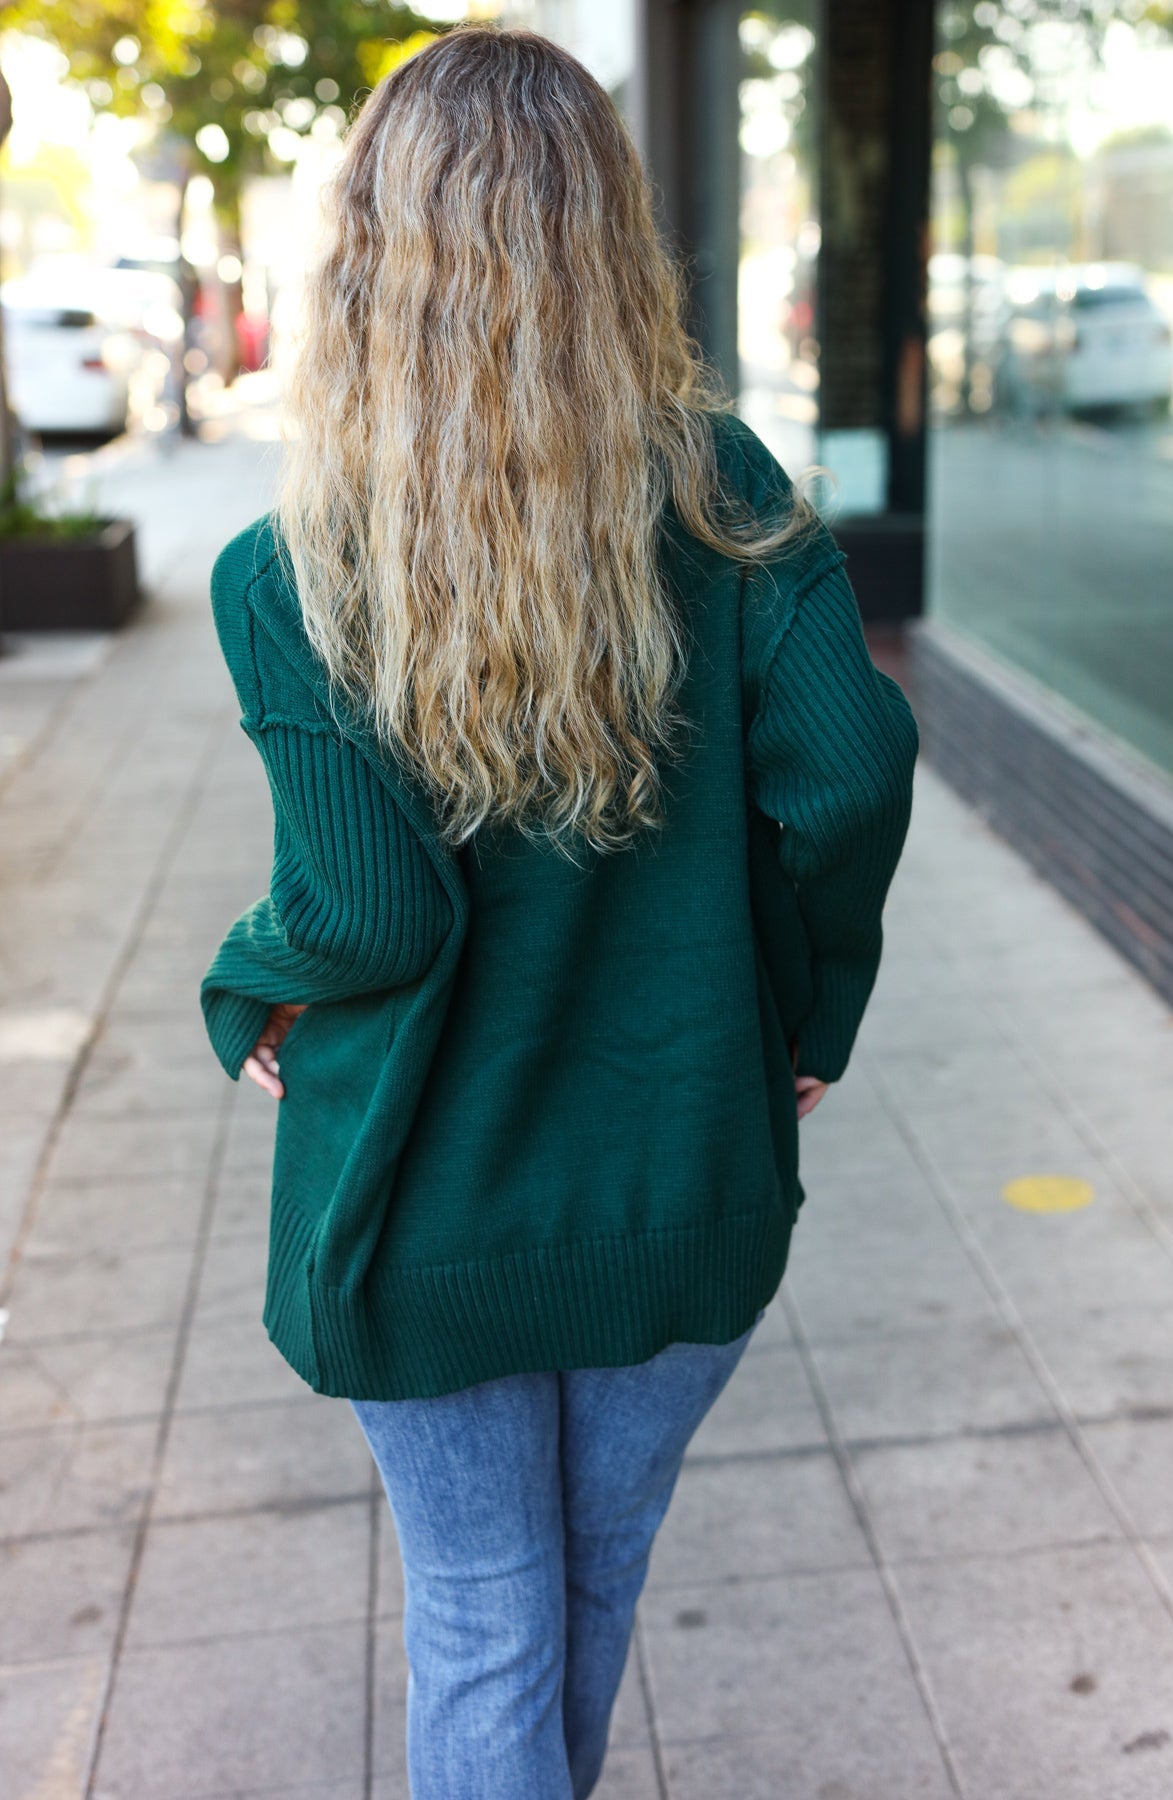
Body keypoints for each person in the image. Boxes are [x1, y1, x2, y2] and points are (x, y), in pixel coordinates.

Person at [199, 26, 918, 1800]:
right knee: (588, 1589)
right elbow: (851, 777)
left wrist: (246, 982)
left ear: (367, 258)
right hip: (682, 1177)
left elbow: (366, 914)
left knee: (484, 1623)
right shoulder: (726, 494)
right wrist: (806, 1018)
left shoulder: (295, 570)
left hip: (425, 1206)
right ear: (613, 241)